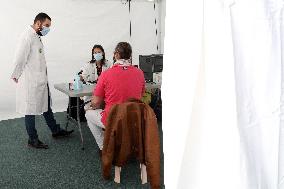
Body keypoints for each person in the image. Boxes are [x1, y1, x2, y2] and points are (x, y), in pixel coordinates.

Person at [11, 13, 74, 149]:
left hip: (40, 80)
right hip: (31, 82)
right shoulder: (27, 37)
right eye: (46, 26)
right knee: (30, 110)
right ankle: (32, 139)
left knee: (46, 106)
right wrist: (15, 75)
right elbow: (19, 59)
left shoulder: (36, 37)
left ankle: (55, 130)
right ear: (38, 23)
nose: (48, 29)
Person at [85, 42, 145, 154]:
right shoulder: (140, 73)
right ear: (130, 55)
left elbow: (96, 102)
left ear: (116, 55)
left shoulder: (106, 74)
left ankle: (104, 147)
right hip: (133, 118)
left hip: (113, 119)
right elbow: (141, 96)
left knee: (88, 114)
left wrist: (91, 107)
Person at [79, 44, 111, 110]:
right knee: (92, 107)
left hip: (105, 90)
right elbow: (83, 77)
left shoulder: (108, 64)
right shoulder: (88, 65)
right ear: (93, 55)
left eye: (99, 52)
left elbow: (111, 77)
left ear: (103, 53)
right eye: (95, 53)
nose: (97, 54)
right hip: (91, 92)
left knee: (106, 105)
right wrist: (80, 77)